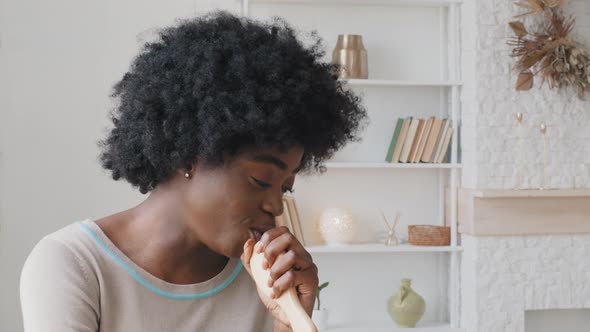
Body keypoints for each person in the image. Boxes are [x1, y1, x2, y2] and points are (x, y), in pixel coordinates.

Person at [20, 11, 366, 332]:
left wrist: (291, 320)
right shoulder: (73, 265)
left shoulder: (263, 281)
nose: (276, 206)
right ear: (189, 156)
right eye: (261, 181)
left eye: (285, 187)